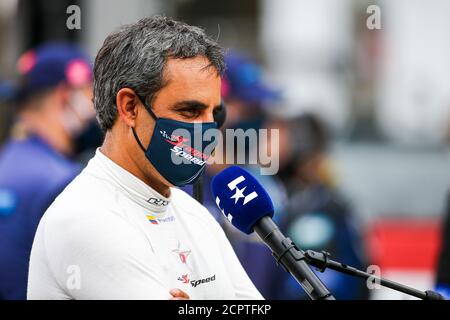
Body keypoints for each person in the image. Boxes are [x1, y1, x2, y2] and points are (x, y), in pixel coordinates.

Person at [27, 16, 263, 300]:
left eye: (214, 114)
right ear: (129, 107)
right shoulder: (84, 217)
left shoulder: (194, 214)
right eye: (189, 111)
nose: (207, 130)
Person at [0, 42, 95, 300]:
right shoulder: (62, 181)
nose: (95, 110)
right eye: (90, 95)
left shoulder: (8, 161)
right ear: (66, 96)